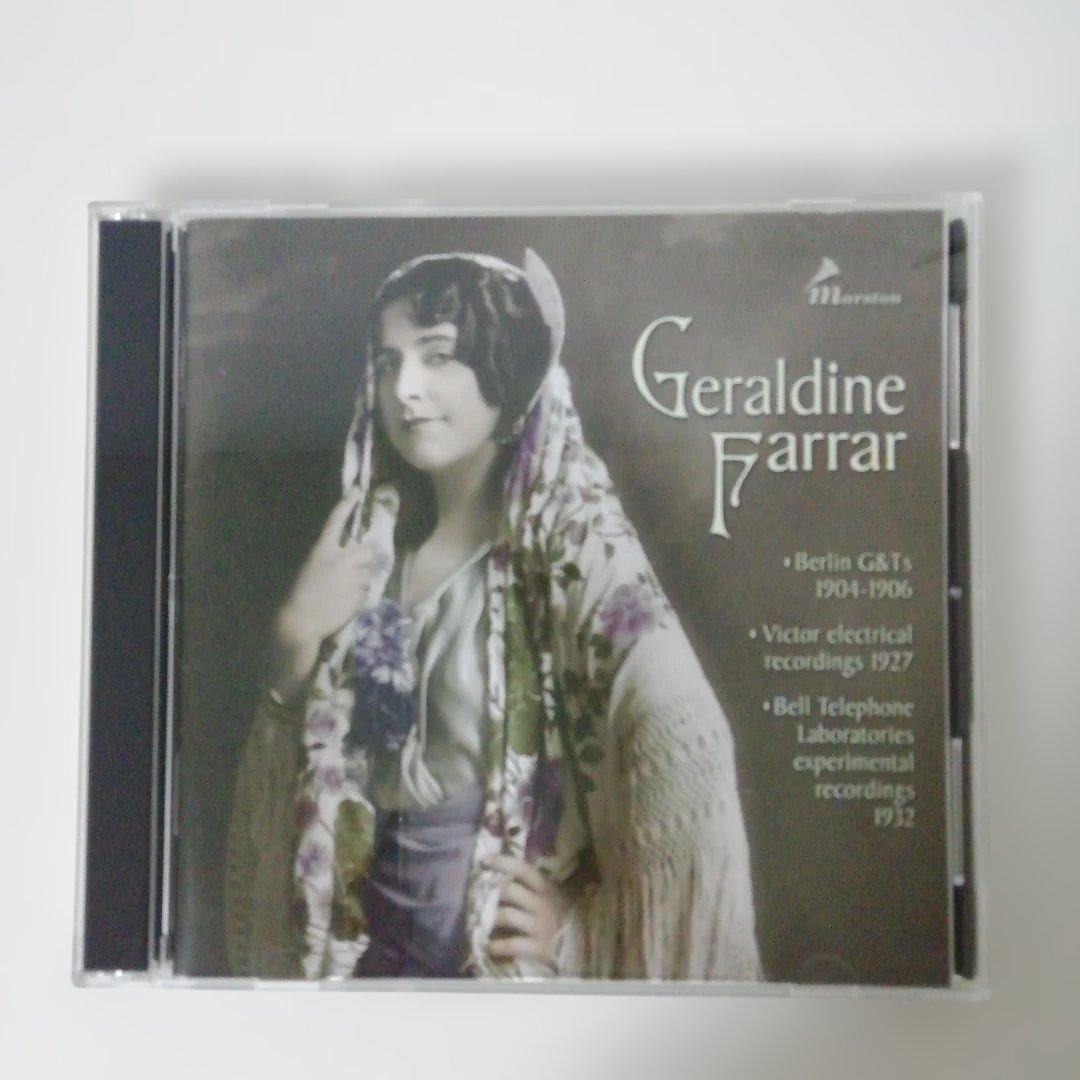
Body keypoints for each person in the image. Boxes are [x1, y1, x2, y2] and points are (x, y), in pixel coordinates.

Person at [225, 250, 761, 982]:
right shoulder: (373, 560)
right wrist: (294, 637)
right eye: (388, 363)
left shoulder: (568, 554)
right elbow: (331, 776)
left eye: (438, 356)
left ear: (507, 372)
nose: (405, 389)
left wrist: (582, 929)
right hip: (369, 972)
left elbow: (678, 728)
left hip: (490, 975)